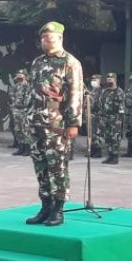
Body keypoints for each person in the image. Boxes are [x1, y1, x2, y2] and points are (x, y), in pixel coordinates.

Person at [24, 21, 83, 227]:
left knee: (57, 165)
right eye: (43, 38)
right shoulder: (37, 62)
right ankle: (45, 205)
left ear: (60, 38)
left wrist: (73, 123)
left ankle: (58, 209)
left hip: (57, 123)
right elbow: (32, 92)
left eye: (49, 37)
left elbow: (75, 94)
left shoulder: (70, 62)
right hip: (35, 121)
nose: (45, 41)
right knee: (40, 165)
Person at [99, 72, 125, 164]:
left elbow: (122, 107)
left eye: (111, 79)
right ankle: (110, 155)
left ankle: (115, 156)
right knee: (108, 137)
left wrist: (120, 119)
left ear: (115, 80)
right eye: (108, 79)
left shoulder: (119, 91)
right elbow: (101, 104)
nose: (109, 80)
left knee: (115, 138)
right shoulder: (105, 91)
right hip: (106, 117)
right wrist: (102, 117)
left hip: (115, 117)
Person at [9, 69, 32, 156]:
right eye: (18, 74)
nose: (19, 76)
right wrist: (14, 105)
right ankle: (20, 148)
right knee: (17, 130)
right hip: (16, 110)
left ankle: (27, 149)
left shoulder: (27, 86)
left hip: (24, 110)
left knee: (25, 130)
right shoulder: (15, 86)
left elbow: (28, 99)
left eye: (21, 74)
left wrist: (24, 107)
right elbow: (11, 95)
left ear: (25, 76)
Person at [88, 74, 104, 158]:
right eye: (92, 80)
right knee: (91, 133)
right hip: (91, 115)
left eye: (95, 80)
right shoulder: (91, 90)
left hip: (98, 115)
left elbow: (101, 103)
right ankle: (92, 150)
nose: (93, 81)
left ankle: (98, 151)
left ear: (99, 81)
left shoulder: (102, 91)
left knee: (98, 133)